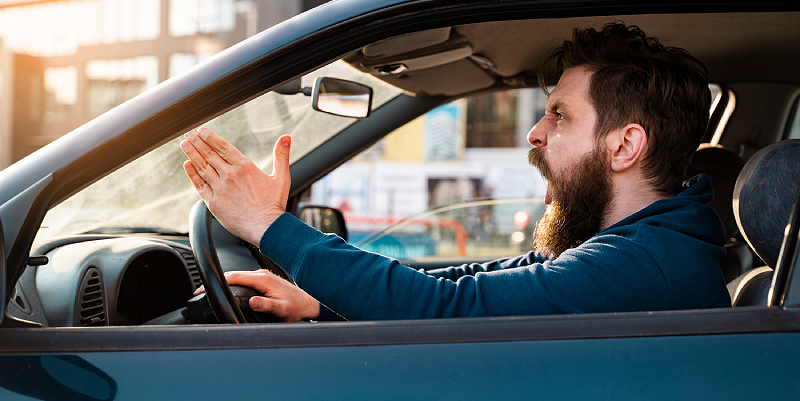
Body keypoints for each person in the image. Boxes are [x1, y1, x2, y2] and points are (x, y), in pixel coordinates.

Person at [180, 23, 731, 322]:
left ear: (625, 145)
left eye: (559, 115)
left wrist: (268, 224)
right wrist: (319, 304)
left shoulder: (646, 266)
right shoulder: (636, 246)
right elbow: (477, 280)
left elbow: (453, 310)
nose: (536, 134)